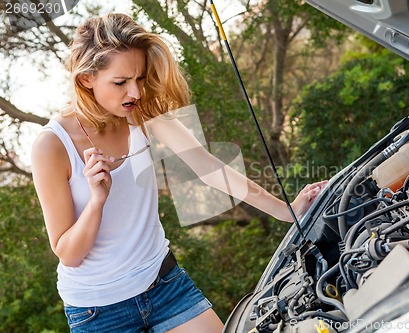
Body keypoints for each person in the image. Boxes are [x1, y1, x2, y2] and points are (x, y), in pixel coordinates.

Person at [31, 13, 327, 333]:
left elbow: (210, 167)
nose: (136, 93)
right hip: (98, 311)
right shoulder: (51, 146)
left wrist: (287, 211)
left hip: (165, 285)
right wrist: (97, 200)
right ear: (86, 78)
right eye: (120, 82)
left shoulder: (142, 113)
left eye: (140, 78)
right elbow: (68, 253)